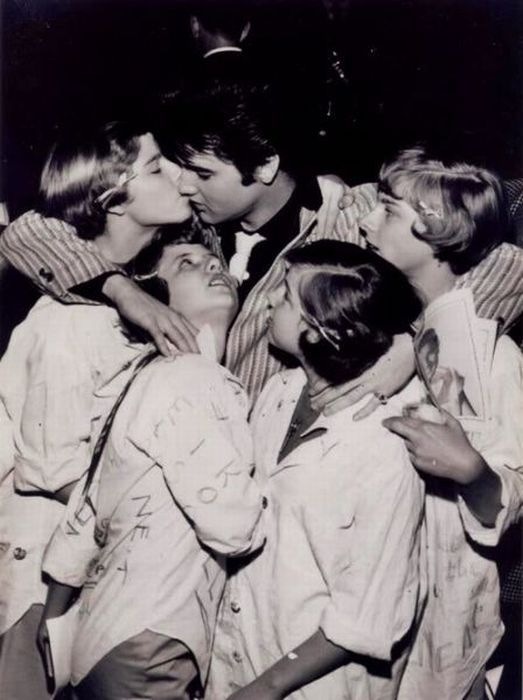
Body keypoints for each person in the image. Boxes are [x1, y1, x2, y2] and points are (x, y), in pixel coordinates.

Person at [1, 84, 522, 403]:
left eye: (203, 173)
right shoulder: (186, 226)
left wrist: (417, 346)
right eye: (178, 168)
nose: (184, 184)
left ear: (266, 166)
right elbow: (25, 232)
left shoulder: (353, 217)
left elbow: (508, 266)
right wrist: (122, 291)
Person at [0, 120, 195, 700]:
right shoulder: (69, 325)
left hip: (91, 565)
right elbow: (50, 468)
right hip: (36, 578)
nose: (179, 177)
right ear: (112, 201)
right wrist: (161, 512)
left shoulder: (141, 288)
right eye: (157, 167)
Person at [39, 238, 265, 700]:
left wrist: (54, 611)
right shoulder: (196, 378)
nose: (212, 268)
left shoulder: (141, 375)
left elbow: (85, 511)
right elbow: (235, 529)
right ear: (156, 298)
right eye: (186, 264)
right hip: (154, 640)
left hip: (102, 635)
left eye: (214, 261)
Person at [208, 240, 426, 700]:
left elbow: (369, 616)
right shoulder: (281, 391)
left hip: (310, 685)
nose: (269, 299)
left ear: (326, 332)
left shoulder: (386, 447)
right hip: (236, 656)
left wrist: (268, 686)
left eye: (286, 295)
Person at [360, 147, 523, 699]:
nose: (366, 222)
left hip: (442, 622)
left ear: (440, 228)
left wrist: (472, 472)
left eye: (387, 210)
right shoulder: (391, 330)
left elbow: (508, 495)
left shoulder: (492, 354)